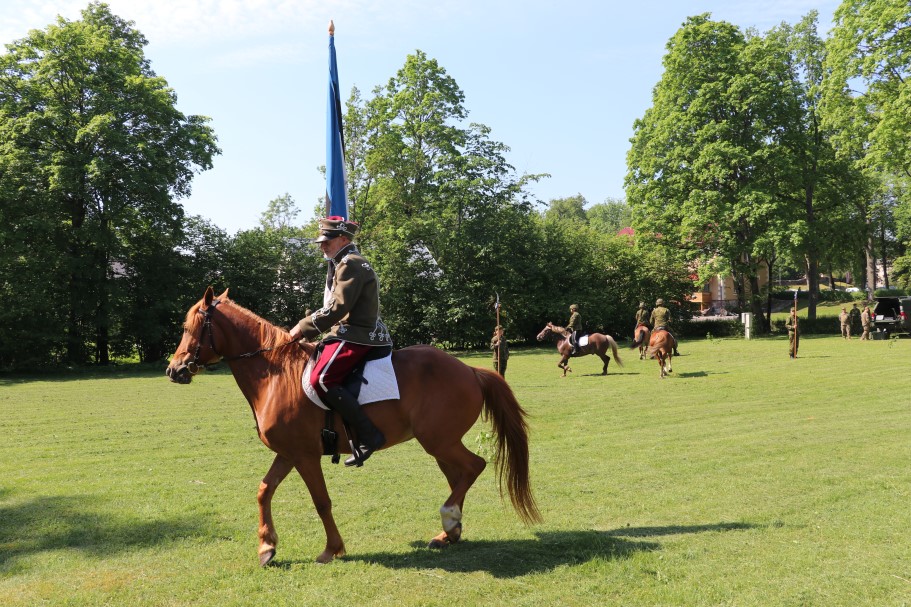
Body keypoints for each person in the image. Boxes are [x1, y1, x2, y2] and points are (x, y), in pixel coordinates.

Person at [289, 216, 392, 467]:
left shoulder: (350, 263)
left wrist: (302, 327)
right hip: (349, 332)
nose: (322, 246)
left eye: (327, 241)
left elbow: (337, 307)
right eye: (321, 242)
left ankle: (369, 435)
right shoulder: (343, 262)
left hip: (357, 334)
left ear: (343, 239)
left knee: (322, 379)